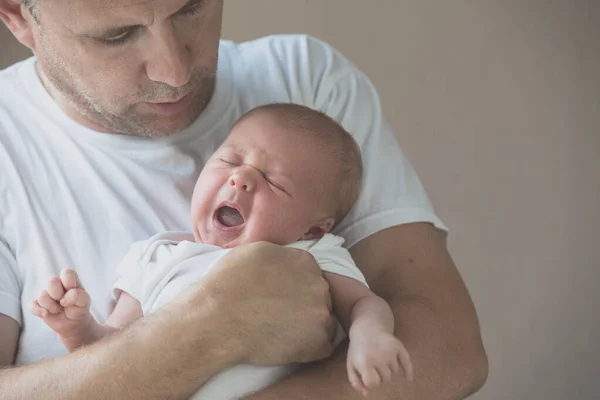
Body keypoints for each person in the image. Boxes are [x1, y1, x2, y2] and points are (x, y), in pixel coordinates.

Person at [0, 1, 488, 399]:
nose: (174, 70)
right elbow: (110, 337)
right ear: (18, 14)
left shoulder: (306, 84)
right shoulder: (157, 256)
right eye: (116, 35)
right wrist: (214, 323)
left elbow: (446, 346)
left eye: (191, 8)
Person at [31, 103, 415, 398]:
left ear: (313, 226)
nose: (241, 178)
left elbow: (365, 304)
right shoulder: (159, 256)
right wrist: (78, 328)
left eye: (274, 183)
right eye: (230, 160)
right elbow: (112, 353)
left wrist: (370, 336)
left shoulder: (311, 252)